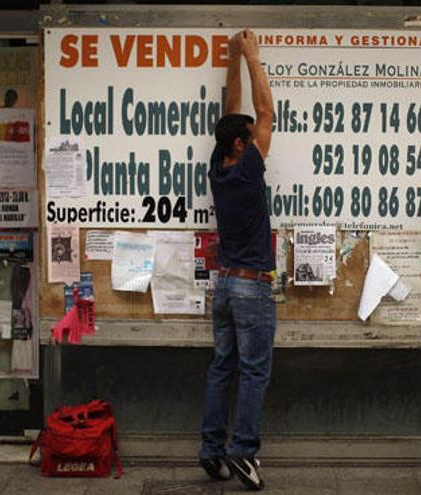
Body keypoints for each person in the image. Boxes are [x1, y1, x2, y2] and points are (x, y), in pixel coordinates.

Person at [198, 29, 274, 492]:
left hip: (224, 285)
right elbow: (265, 113)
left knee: (222, 368)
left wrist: (230, 58)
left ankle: (212, 450)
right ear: (243, 146)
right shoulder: (247, 169)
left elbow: (233, 114)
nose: (258, 135)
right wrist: (251, 56)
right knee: (253, 372)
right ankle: (243, 452)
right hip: (251, 287)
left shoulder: (219, 166)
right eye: (251, 137)